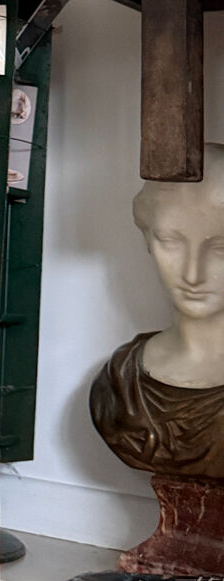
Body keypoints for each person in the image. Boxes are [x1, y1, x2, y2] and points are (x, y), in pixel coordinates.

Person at [90, 145, 224, 478]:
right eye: (171, 240)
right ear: (147, 238)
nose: (193, 273)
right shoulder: (120, 384)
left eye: (222, 247)